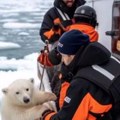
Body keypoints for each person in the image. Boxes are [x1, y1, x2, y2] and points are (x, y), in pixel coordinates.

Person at [39, 30, 120, 120]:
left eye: (63, 55)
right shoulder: (111, 59)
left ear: (71, 55)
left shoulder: (82, 84)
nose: (62, 60)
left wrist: (45, 114)